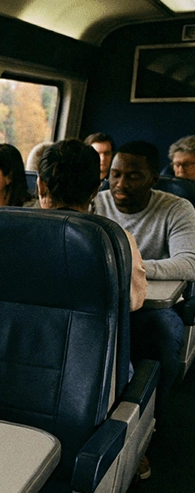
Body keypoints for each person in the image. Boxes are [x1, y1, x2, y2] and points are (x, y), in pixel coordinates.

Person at [93, 140, 195, 416]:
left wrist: (128, 265)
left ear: (154, 178)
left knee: (163, 335)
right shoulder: (94, 204)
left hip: (153, 307)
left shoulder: (177, 208)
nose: (120, 184)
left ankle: (155, 419)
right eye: (115, 174)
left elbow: (188, 264)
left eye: (133, 176)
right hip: (101, 301)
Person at [35, 139, 146, 312]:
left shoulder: (2, 231)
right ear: (96, 190)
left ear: (40, 186)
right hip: (84, 338)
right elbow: (132, 301)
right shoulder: (116, 240)